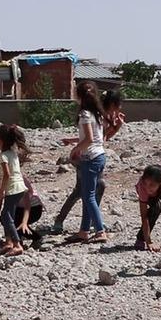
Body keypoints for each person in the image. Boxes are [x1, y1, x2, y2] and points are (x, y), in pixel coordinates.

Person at [54, 89, 124, 234]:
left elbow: (100, 139)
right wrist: (75, 147)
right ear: (112, 104)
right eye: (118, 105)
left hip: (92, 155)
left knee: (95, 188)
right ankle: (63, 221)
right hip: (87, 157)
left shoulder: (100, 115)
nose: (120, 108)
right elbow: (93, 139)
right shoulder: (96, 115)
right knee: (82, 191)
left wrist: (116, 127)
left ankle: (89, 223)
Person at [0, 124, 29, 256]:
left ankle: (16, 244)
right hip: (20, 188)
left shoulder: (3, 156)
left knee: (5, 215)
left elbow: (7, 174)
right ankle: (8, 242)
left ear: (0, 141)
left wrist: (1, 190)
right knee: (8, 215)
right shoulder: (13, 154)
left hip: (12, 189)